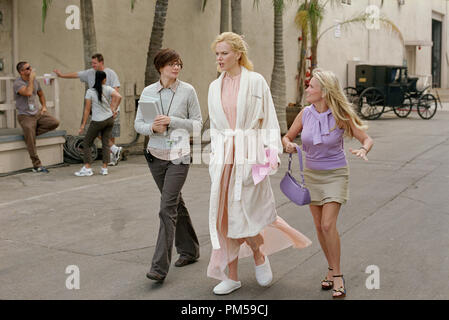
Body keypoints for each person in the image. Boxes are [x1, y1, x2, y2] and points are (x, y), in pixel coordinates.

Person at [207, 32, 312, 295]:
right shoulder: (213, 87)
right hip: (224, 160)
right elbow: (217, 129)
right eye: (217, 54)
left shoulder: (256, 82)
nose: (219, 58)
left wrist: (269, 156)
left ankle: (258, 252)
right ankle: (231, 276)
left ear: (238, 54)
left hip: (250, 156)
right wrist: (214, 157)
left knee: (250, 216)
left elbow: (270, 122)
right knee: (224, 219)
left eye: (224, 53)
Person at [282, 68, 374, 298]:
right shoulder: (305, 113)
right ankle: (331, 269)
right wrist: (288, 145)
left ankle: (338, 274)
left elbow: (366, 138)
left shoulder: (340, 115)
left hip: (335, 175)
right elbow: (287, 136)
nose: (307, 89)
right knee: (319, 226)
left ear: (324, 92)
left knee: (327, 225)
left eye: (311, 86)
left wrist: (363, 149)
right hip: (311, 175)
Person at [134, 48, 202, 282]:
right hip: (155, 156)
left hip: (179, 156)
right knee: (175, 204)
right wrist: (152, 128)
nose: (177, 67)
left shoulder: (187, 91)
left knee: (166, 208)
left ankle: (159, 268)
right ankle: (191, 250)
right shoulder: (149, 92)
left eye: (179, 64)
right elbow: (138, 124)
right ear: (160, 67)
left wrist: (172, 121)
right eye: (172, 64)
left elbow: (197, 124)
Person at [54, 53, 123, 165]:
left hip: (111, 109)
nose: (93, 65)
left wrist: (113, 109)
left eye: (95, 63)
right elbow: (76, 74)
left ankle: (112, 156)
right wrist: (62, 75)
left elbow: (116, 92)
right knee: (99, 132)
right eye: (92, 63)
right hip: (98, 111)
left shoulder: (111, 73)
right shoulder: (90, 73)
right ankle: (114, 150)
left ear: (101, 62)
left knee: (111, 134)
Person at [13, 61, 60, 173]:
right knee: (30, 134)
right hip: (25, 116)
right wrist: (31, 79)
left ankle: (30, 136)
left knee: (54, 122)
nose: (31, 70)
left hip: (37, 113)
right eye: (28, 68)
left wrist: (44, 106)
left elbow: (41, 94)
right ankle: (37, 165)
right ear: (21, 72)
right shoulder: (18, 84)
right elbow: (28, 92)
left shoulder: (34, 81)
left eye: (30, 67)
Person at [74, 71, 122, 176]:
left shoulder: (90, 91)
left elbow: (87, 110)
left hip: (97, 121)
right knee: (105, 143)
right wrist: (114, 109)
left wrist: (83, 125)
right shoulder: (108, 89)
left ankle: (87, 168)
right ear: (104, 79)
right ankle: (104, 168)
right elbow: (119, 96)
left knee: (87, 143)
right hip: (109, 119)